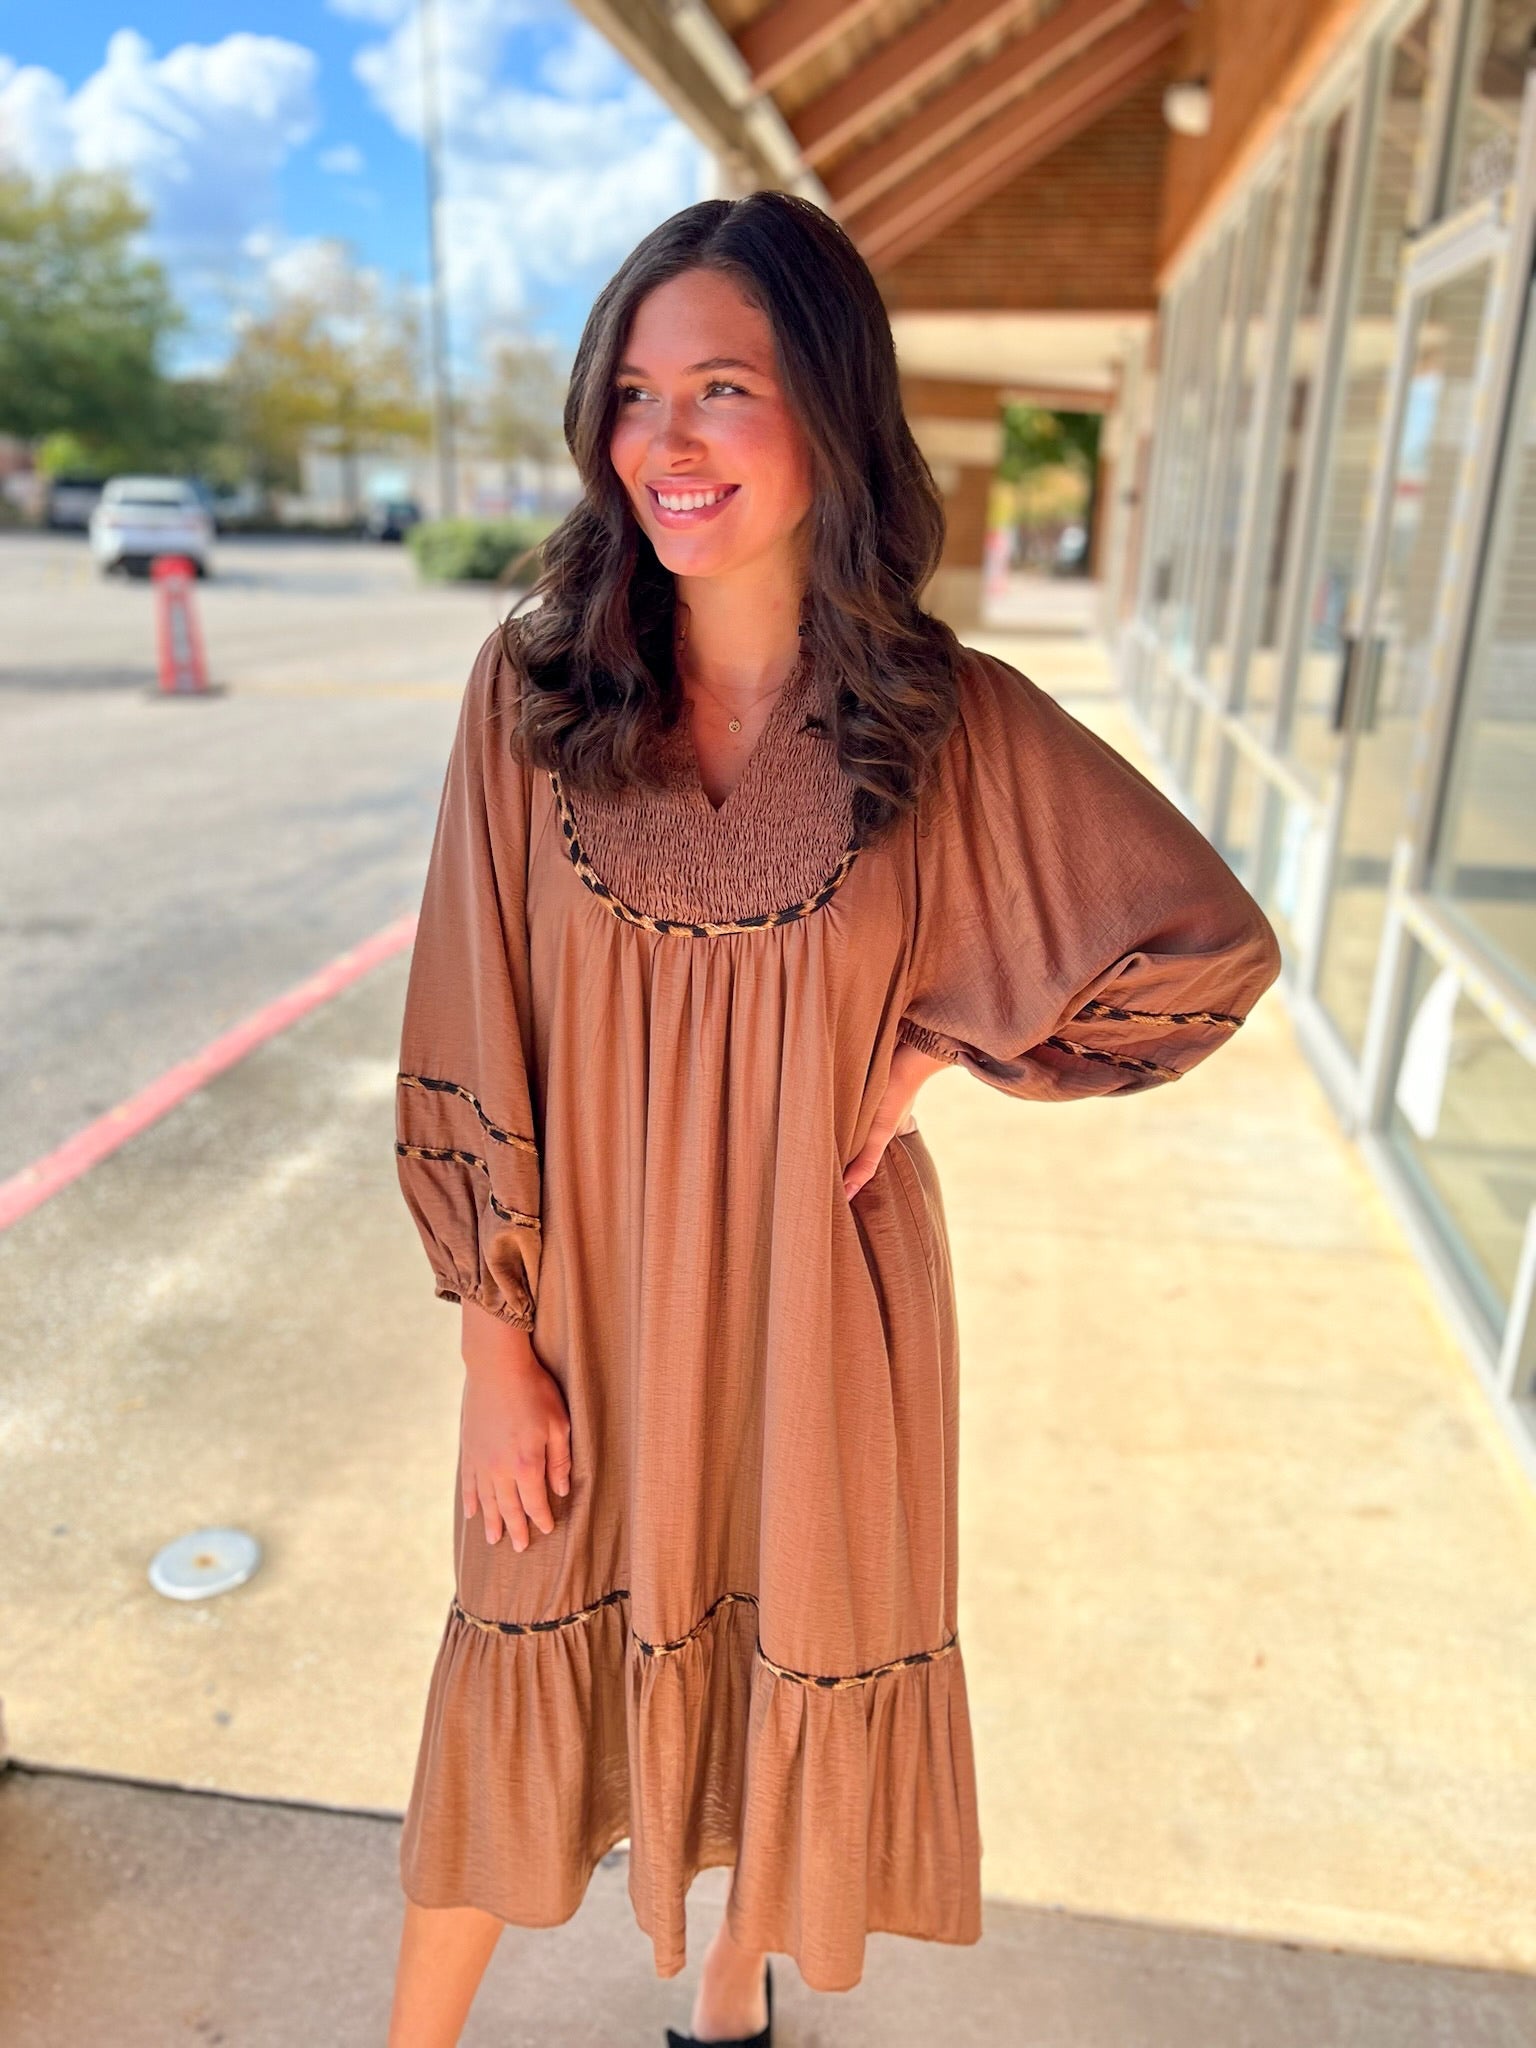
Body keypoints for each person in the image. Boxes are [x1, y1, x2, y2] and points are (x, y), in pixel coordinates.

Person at [385, 191, 1282, 2048]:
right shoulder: (534, 693)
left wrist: (945, 1043)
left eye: (726, 386)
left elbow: (1203, 948)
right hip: (581, 1324)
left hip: (827, 1323)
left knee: (777, 1670)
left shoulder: (949, 728)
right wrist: (494, 1341)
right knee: (509, 1684)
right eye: (636, 394)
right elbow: (470, 1024)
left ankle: (731, 2002)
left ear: (834, 415)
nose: (670, 443)